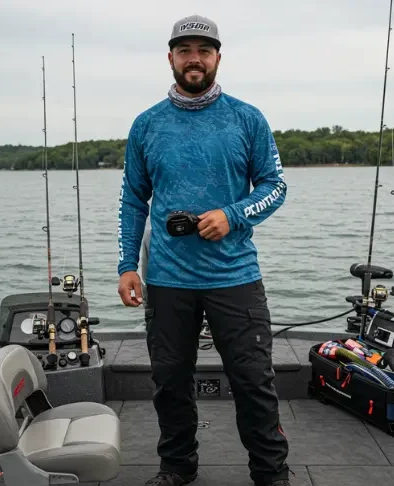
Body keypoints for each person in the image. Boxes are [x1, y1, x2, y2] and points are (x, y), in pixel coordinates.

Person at [116, 14, 291, 486]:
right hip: (168, 280)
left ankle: (271, 473)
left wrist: (232, 215)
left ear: (218, 58)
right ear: (170, 57)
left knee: (254, 382)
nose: (194, 59)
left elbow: (276, 186)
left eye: (204, 50)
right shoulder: (147, 124)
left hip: (235, 277)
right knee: (170, 384)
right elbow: (134, 199)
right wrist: (127, 266)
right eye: (185, 50)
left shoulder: (247, 118)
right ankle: (177, 467)